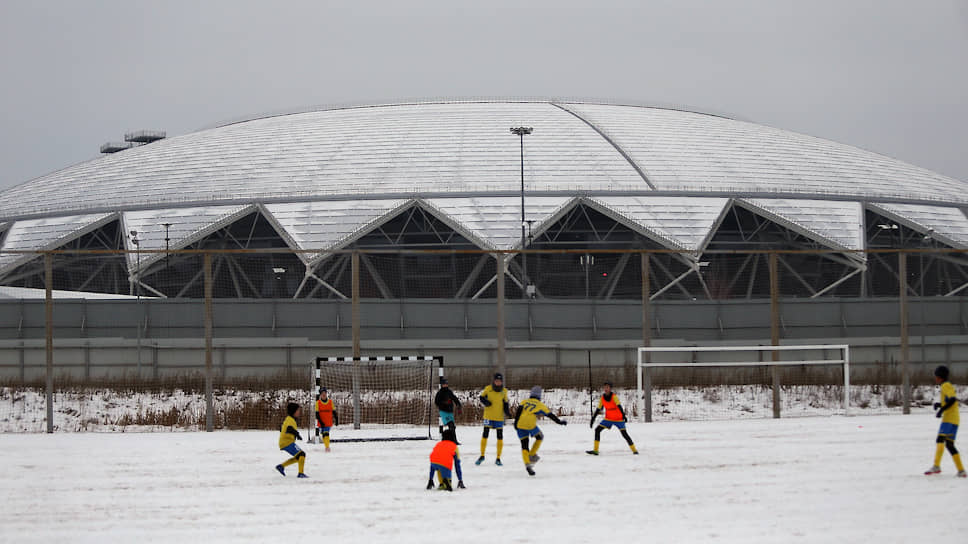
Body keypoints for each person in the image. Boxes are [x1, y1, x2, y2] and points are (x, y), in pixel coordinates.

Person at [513, 386, 567, 476]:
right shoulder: (540, 404)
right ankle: (532, 454)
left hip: (520, 424)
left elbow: (518, 412)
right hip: (530, 424)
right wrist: (559, 422)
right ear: (539, 395)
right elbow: (550, 415)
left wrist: (515, 423)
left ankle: (527, 464)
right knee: (540, 437)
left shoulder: (524, 401)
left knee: (524, 445)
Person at [924, 365, 965, 477]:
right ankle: (961, 470)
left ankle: (936, 466)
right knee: (950, 445)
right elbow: (950, 400)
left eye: (936, 376)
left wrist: (942, 410)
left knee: (940, 439)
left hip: (949, 419)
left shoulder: (945, 385)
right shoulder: (948, 385)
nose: (935, 378)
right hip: (955, 419)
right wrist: (940, 404)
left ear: (940, 377)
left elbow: (952, 400)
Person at [587, 381, 639, 456]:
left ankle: (634, 450)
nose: (606, 389)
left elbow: (619, 406)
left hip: (618, 419)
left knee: (624, 434)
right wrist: (593, 419)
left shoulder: (614, 397)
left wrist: (624, 416)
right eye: (605, 387)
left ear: (610, 388)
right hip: (608, 419)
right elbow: (598, 409)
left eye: (607, 387)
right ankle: (595, 451)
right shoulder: (602, 398)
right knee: (597, 430)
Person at [476, 372, 512, 466]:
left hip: (499, 417)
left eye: (500, 381)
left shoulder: (504, 391)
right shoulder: (488, 388)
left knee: (500, 436)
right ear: (494, 381)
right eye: (496, 381)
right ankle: (482, 455)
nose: (498, 383)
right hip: (488, 416)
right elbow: (481, 397)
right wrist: (486, 402)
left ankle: (498, 458)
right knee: (485, 435)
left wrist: (507, 412)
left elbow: (505, 403)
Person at [275, 402, 308, 478]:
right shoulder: (290, 420)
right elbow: (289, 428)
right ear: (293, 411)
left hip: (285, 442)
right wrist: (297, 434)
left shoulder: (289, 419)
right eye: (298, 410)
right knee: (302, 454)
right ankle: (301, 473)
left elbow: (282, 428)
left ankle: (281, 466)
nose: (299, 412)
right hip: (287, 442)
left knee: (298, 457)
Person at [315, 388, 338, 452]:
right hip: (321, 422)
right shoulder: (318, 403)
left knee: (326, 434)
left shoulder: (330, 402)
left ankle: (327, 447)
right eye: (322, 393)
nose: (324, 394)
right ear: (320, 395)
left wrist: (336, 419)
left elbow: (334, 412)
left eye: (325, 393)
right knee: (323, 434)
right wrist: (320, 421)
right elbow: (317, 414)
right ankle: (326, 445)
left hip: (328, 422)